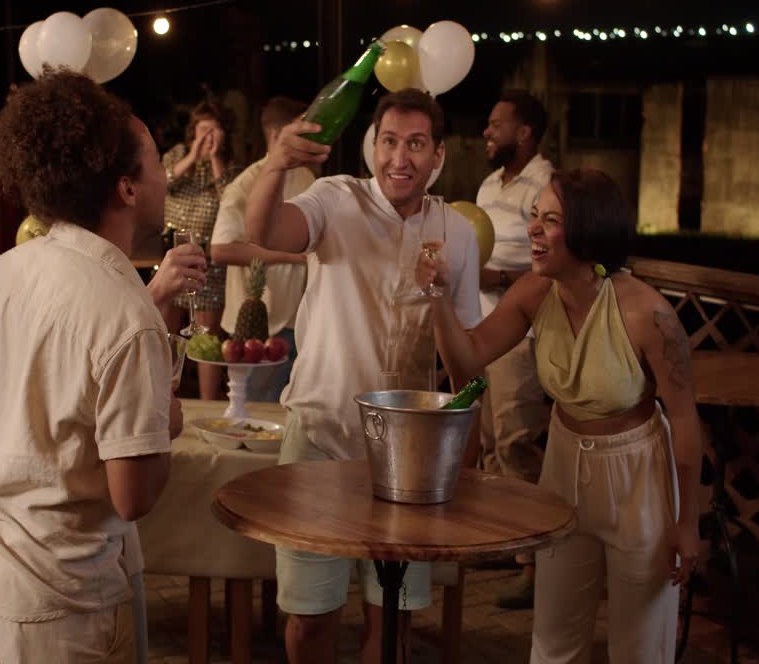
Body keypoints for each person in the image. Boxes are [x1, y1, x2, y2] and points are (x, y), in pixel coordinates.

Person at [0, 71, 196, 663]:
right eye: (157, 161)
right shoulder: (123, 311)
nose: (165, 177)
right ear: (127, 188)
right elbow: (132, 496)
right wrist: (166, 421)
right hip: (57, 598)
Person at [417, 169, 702, 664]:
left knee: (641, 645)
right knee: (553, 637)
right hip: (563, 464)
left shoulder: (647, 314)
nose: (533, 229)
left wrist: (688, 521)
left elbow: (685, 419)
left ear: (588, 231)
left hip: (638, 474)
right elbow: (468, 359)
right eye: (534, 216)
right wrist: (438, 297)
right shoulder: (534, 292)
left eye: (551, 220)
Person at [246, 88, 482, 664]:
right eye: (390, 141)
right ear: (372, 146)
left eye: (417, 145)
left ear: (439, 156)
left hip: (410, 456)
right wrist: (278, 163)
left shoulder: (457, 232)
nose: (401, 158)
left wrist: (443, 297)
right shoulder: (335, 199)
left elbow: (467, 364)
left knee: (393, 627)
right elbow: (267, 234)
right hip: (319, 438)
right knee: (310, 621)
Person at [474, 90, 554, 608]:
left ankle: (534, 565)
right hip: (481, 326)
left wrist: (500, 276)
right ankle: (502, 539)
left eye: (495, 124)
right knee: (487, 441)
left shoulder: (545, 184)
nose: (486, 132)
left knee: (517, 440)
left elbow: (555, 260)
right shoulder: (488, 183)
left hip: (520, 332)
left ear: (523, 133)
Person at [210, 96, 312, 402]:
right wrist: (291, 257)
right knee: (255, 416)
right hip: (257, 324)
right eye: (301, 133)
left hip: (298, 318)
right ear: (277, 136)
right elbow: (220, 250)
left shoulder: (306, 177)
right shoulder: (245, 184)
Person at [162, 100, 239, 400]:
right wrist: (193, 155)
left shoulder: (230, 167)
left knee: (205, 342)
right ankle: (164, 398)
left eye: (214, 132)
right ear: (192, 132)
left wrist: (216, 159)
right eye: (202, 130)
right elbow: (163, 182)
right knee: (166, 337)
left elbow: (232, 203)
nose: (207, 138)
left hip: (209, 265)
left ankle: (208, 403)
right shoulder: (178, 156)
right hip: (172, 257)